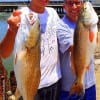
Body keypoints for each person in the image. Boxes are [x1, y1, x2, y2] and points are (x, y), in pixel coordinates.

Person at [0, 0, 72, 99]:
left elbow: (63, 38)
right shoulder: (20, 15)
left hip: (55, 82)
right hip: (29, 84)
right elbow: (4, 53)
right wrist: (12, 30)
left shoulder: (53, 13)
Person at [59, 0, 98, 100]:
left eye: (77, 3)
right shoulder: (60, 25)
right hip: (69, 86)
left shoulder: (88, 25)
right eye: (70, 3)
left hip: (90, 83)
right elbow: (72, 47)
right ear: (64, 6)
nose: (74, 7)